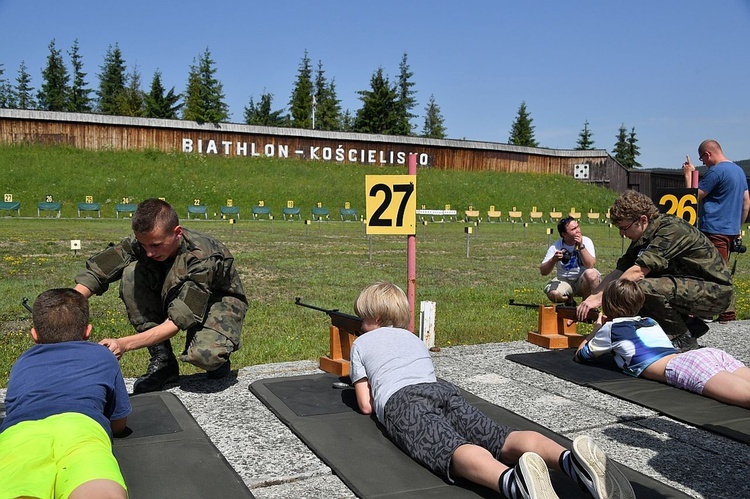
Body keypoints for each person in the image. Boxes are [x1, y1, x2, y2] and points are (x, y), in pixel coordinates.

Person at [349, 281, 634, 499]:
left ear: (373, 317)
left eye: (362, 318)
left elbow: (366, 405)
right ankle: (571, 461)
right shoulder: (412, 338)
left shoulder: (361, 344)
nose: (361, 324)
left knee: (451, 448)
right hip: (441, 391)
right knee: (500, 436)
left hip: (403, 402)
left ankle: (513, 483)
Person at [74, 198, 248, 393]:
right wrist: (67, 306)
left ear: (177, 233)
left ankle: (217, 357)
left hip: (216, 302)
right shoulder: (145, 242)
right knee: (131, 273)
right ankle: (163, 360)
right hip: (174, 294)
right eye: (144, 245)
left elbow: (179, 319)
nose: (149, 252)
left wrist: (123, 344)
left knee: (205, 356)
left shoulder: (202, 257)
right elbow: (99, 270)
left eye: (155, 245)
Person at [0, 288, 131, 498]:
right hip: (81, 426)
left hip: (21, 431)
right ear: (87, 331)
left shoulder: (22, 361)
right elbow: (119, 424)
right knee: (99, 492)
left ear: (34, 335)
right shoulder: (103, 355)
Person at [577, 190, 733, 352]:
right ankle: (688, 326)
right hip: (691, 287)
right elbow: (620, 271)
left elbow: (637, 272)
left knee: (640, 287)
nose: (621, 234)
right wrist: (590, 300)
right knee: (631, 289)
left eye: (624, 228)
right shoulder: (644, 235)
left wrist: (607, 300)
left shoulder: (671, 230)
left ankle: (682, 339)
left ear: (643, 220)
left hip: (715, 292)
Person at [575, 279, 750, 409]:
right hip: (704, 355)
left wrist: (598, 328)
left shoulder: (612, 329)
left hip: (686, 366)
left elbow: (582, 354)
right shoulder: (649, 321)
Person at [682, 139, 750, 322]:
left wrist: (688, 175)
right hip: (730, 231)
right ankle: (712, 311)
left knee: (715, 272)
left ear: (708, 154)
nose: (703, 163)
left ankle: (724, 313)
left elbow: (692, 198)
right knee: (719, 269)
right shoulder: (739, 171)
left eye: (702, 158)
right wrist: (737, 228)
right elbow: (746, 203)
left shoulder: (716, 172)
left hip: (713, 229)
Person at [540, 216, 600, 304]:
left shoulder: (586, 241)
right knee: (554, 294)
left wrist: (581, 246)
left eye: (577, 227)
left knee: (591, 274)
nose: (578, 230)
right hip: (565, 280)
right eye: (573, 229)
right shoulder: (556, 246)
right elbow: (543, 271)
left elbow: (590, 265)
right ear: (564, 234)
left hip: (583, 281)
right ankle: (569, 301)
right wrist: (553, 260)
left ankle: (587, 305)